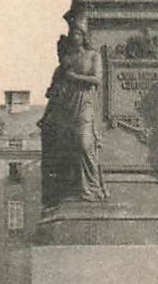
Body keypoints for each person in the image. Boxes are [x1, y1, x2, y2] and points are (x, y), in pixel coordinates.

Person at [39, 14, 108, 207]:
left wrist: (74, 76)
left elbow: (97, 80)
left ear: (84, 35)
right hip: (68, 104)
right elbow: (56, 86)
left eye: (78, 33)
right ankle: (78, 189)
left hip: (85, 101)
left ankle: (92, 188)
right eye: (72, 33)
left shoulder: (93, 56)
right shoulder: (67, 59)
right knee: (70, 146)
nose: (74, 36)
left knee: (84, 143)